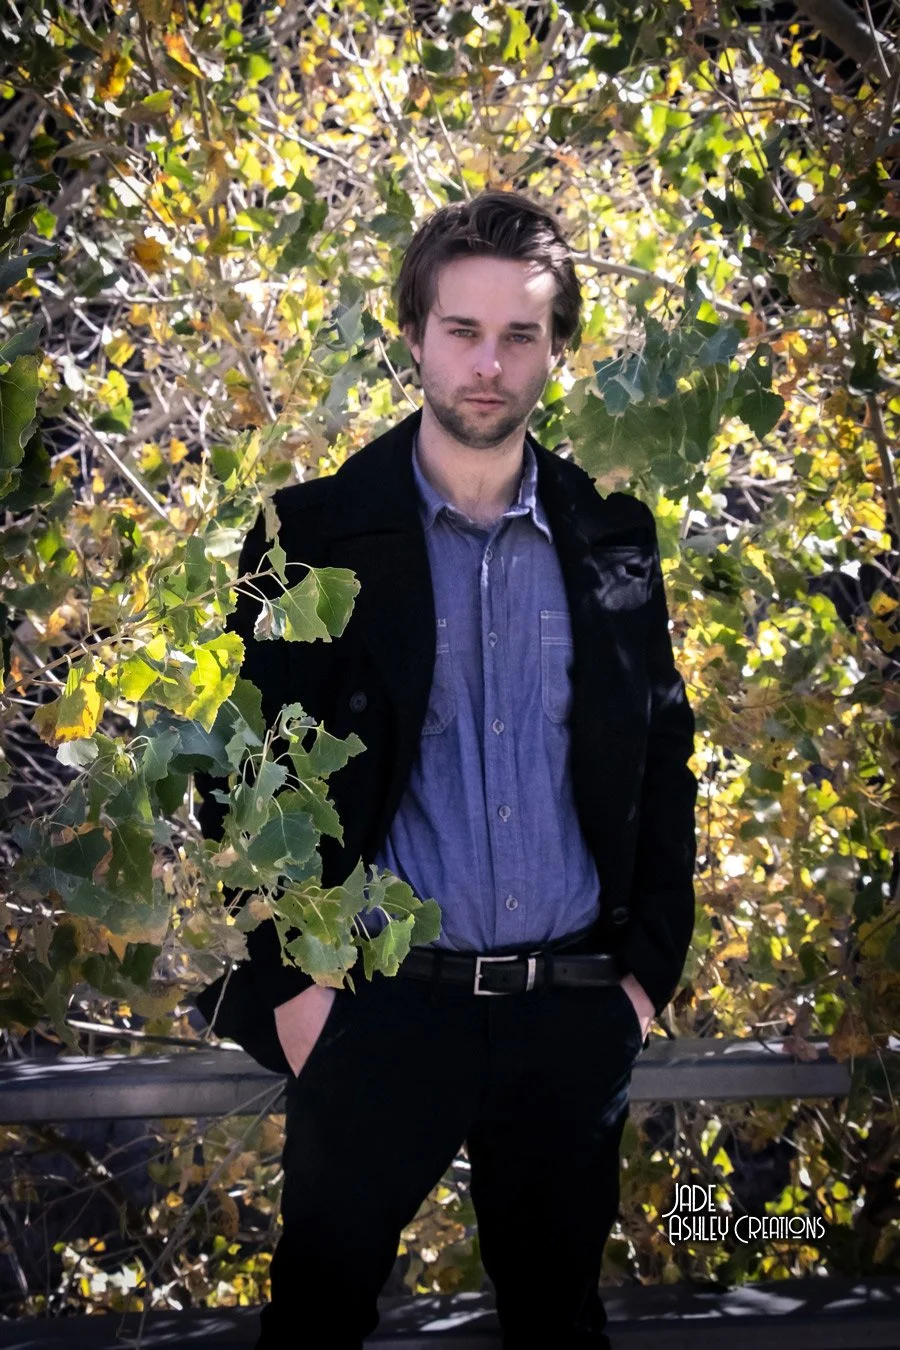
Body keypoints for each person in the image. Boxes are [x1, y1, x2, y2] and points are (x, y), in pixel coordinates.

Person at [193, 190, 698, 1349]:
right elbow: (242, 775)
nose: (489, 364)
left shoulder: (611, 533)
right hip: (376, 1013)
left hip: (569, 1014)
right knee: (314, 1323)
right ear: (414, 335)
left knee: (560, 1329)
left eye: (521, 335)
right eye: (462, 331)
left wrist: (642, 979)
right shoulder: (306, 536)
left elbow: (661, 752)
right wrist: (295, 993)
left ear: (557, 348)